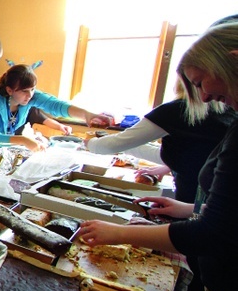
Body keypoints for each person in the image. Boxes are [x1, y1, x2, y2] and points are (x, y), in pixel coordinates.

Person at [76, 22, 238, 291]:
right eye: (195, 85)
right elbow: (227, 216)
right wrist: (187, 210)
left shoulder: (194, 113)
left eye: (201, 81)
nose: (206, 95)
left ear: (231, 61)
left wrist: (119, 233)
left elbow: (213, 231)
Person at [86, 81, 235, 203]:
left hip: (196, 198)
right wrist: (167, 167)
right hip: (210, 198)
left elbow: (111, 145)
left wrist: (87, 143)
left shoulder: (177, 110)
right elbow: (196, 153)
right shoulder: (226, 108)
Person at [0, 64, 113, 151]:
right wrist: (24, 140)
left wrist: (87, 115)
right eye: (24, 91)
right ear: (10, 90)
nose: (30, 95)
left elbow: (56, 105)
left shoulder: (31, 96)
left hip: (0, 146)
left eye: (32, 89)